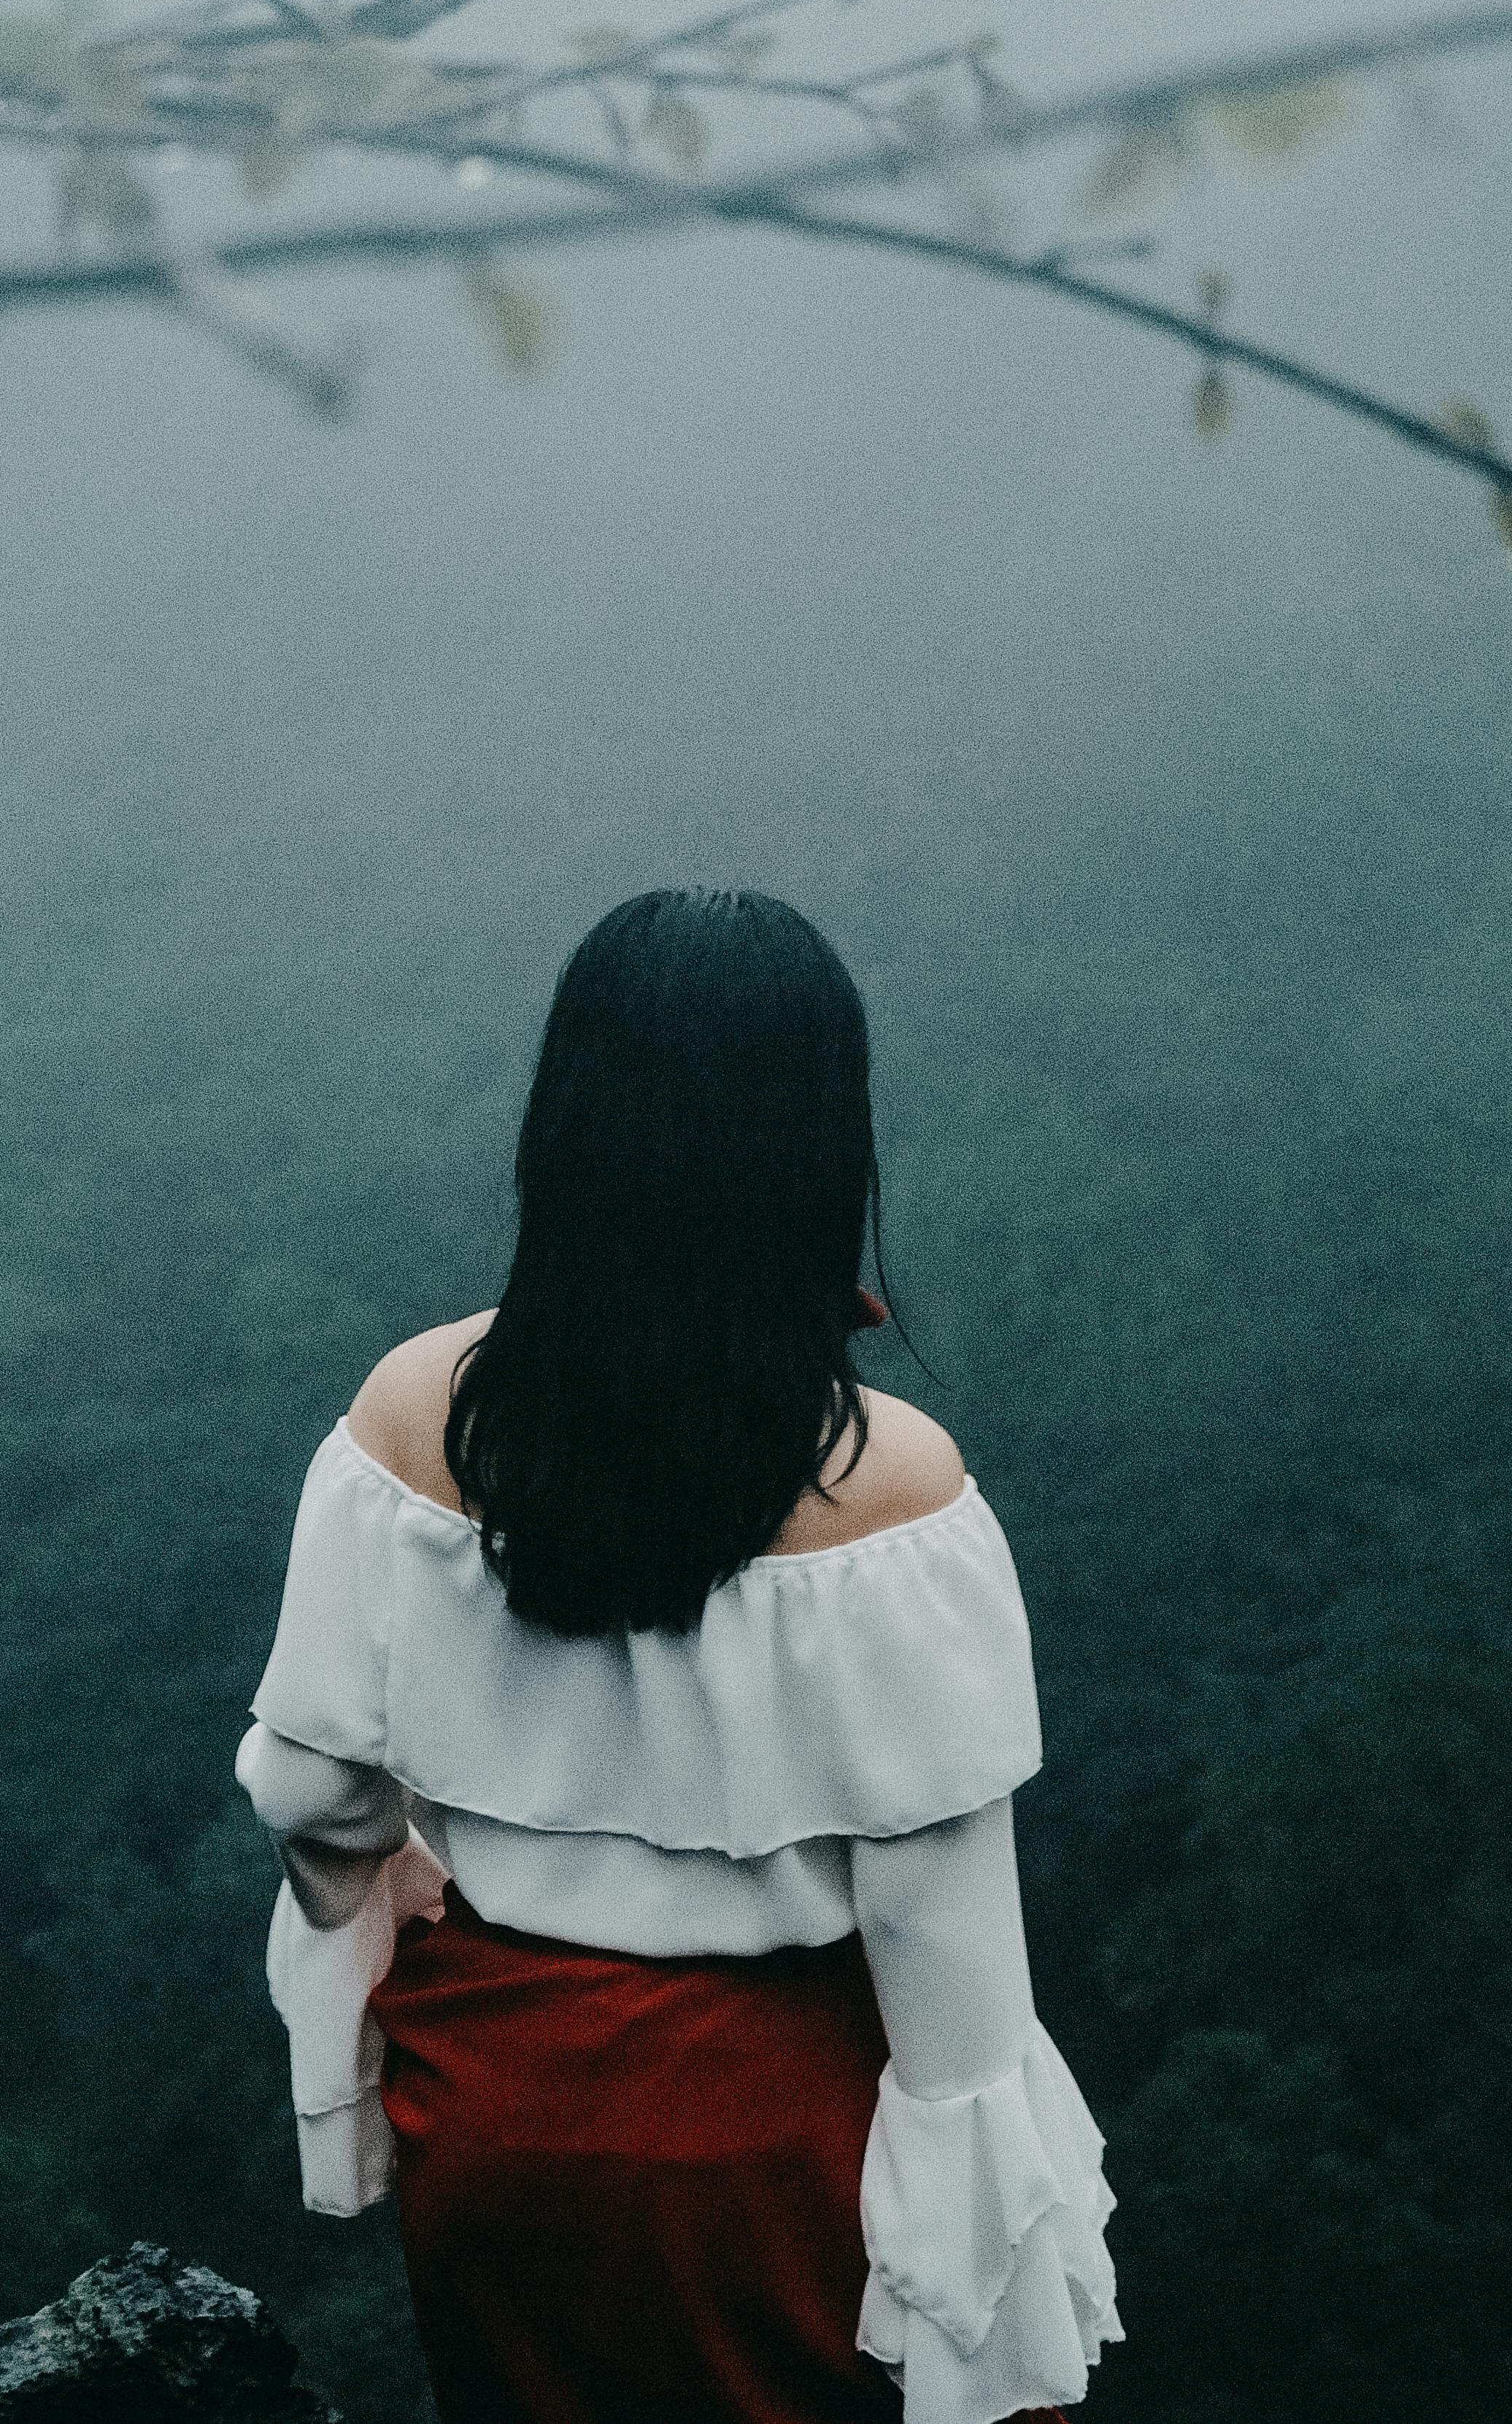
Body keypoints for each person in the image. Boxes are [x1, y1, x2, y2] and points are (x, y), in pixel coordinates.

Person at [236, 887, 1117, 2424]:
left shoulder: (411, 1415)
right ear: (817, 1149)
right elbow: (944, 1958)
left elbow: (305, 1790)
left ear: (565, 1127)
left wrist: (376, 1887)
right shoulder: (892, 1494)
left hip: (494, 2115)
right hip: (772, 2149)